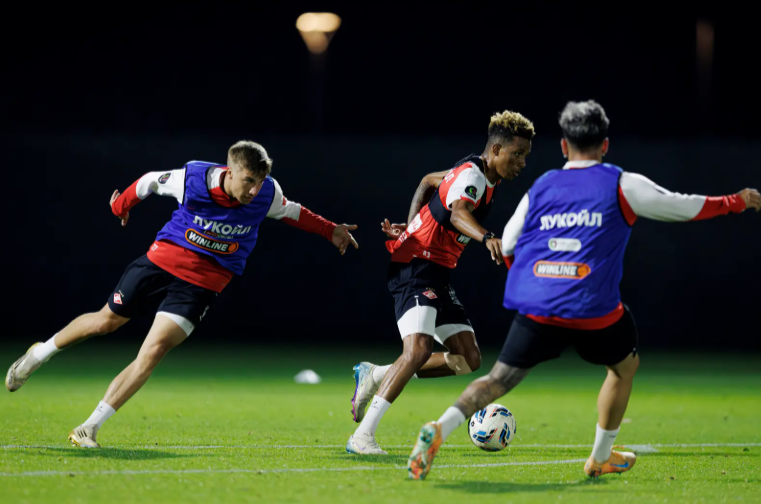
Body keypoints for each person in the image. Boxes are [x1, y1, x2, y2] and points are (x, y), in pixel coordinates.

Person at [407, 100, 761, 479]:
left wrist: (537, 282)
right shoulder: (622, 183)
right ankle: (600, 457)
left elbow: (507, 243)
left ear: (564, 146)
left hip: (541, 307)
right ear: (604, 145)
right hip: (594, 311)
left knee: (497, 380)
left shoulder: (543, 186)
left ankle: (439, 428)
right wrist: (736, 201)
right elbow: (682, 206)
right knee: (624, 367)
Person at [6, 140, 359, 448]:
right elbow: (148, 182)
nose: (254, 190)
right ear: (231, 171)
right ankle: (40, 354)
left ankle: (89, 427)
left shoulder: (268, 194)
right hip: (161, 261)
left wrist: (331, 231)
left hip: (203, 282)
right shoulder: (192, 179)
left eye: (260, 181)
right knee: (105, 322)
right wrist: (121, 206)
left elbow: (293, 212)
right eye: (249, 180)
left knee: (153, 350)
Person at [346, 111, 536, 455]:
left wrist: (411, 225)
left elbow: (427, 181)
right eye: (517, 153)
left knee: (467, 358)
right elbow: (459, 212)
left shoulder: (478, 175)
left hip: (437, 272)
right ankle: (362, 437)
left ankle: (376, 375)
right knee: (417, 350)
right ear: (496, 149)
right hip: (415, 267)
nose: (522, 162)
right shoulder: (473, 175)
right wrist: (486, 237)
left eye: (525, 155)